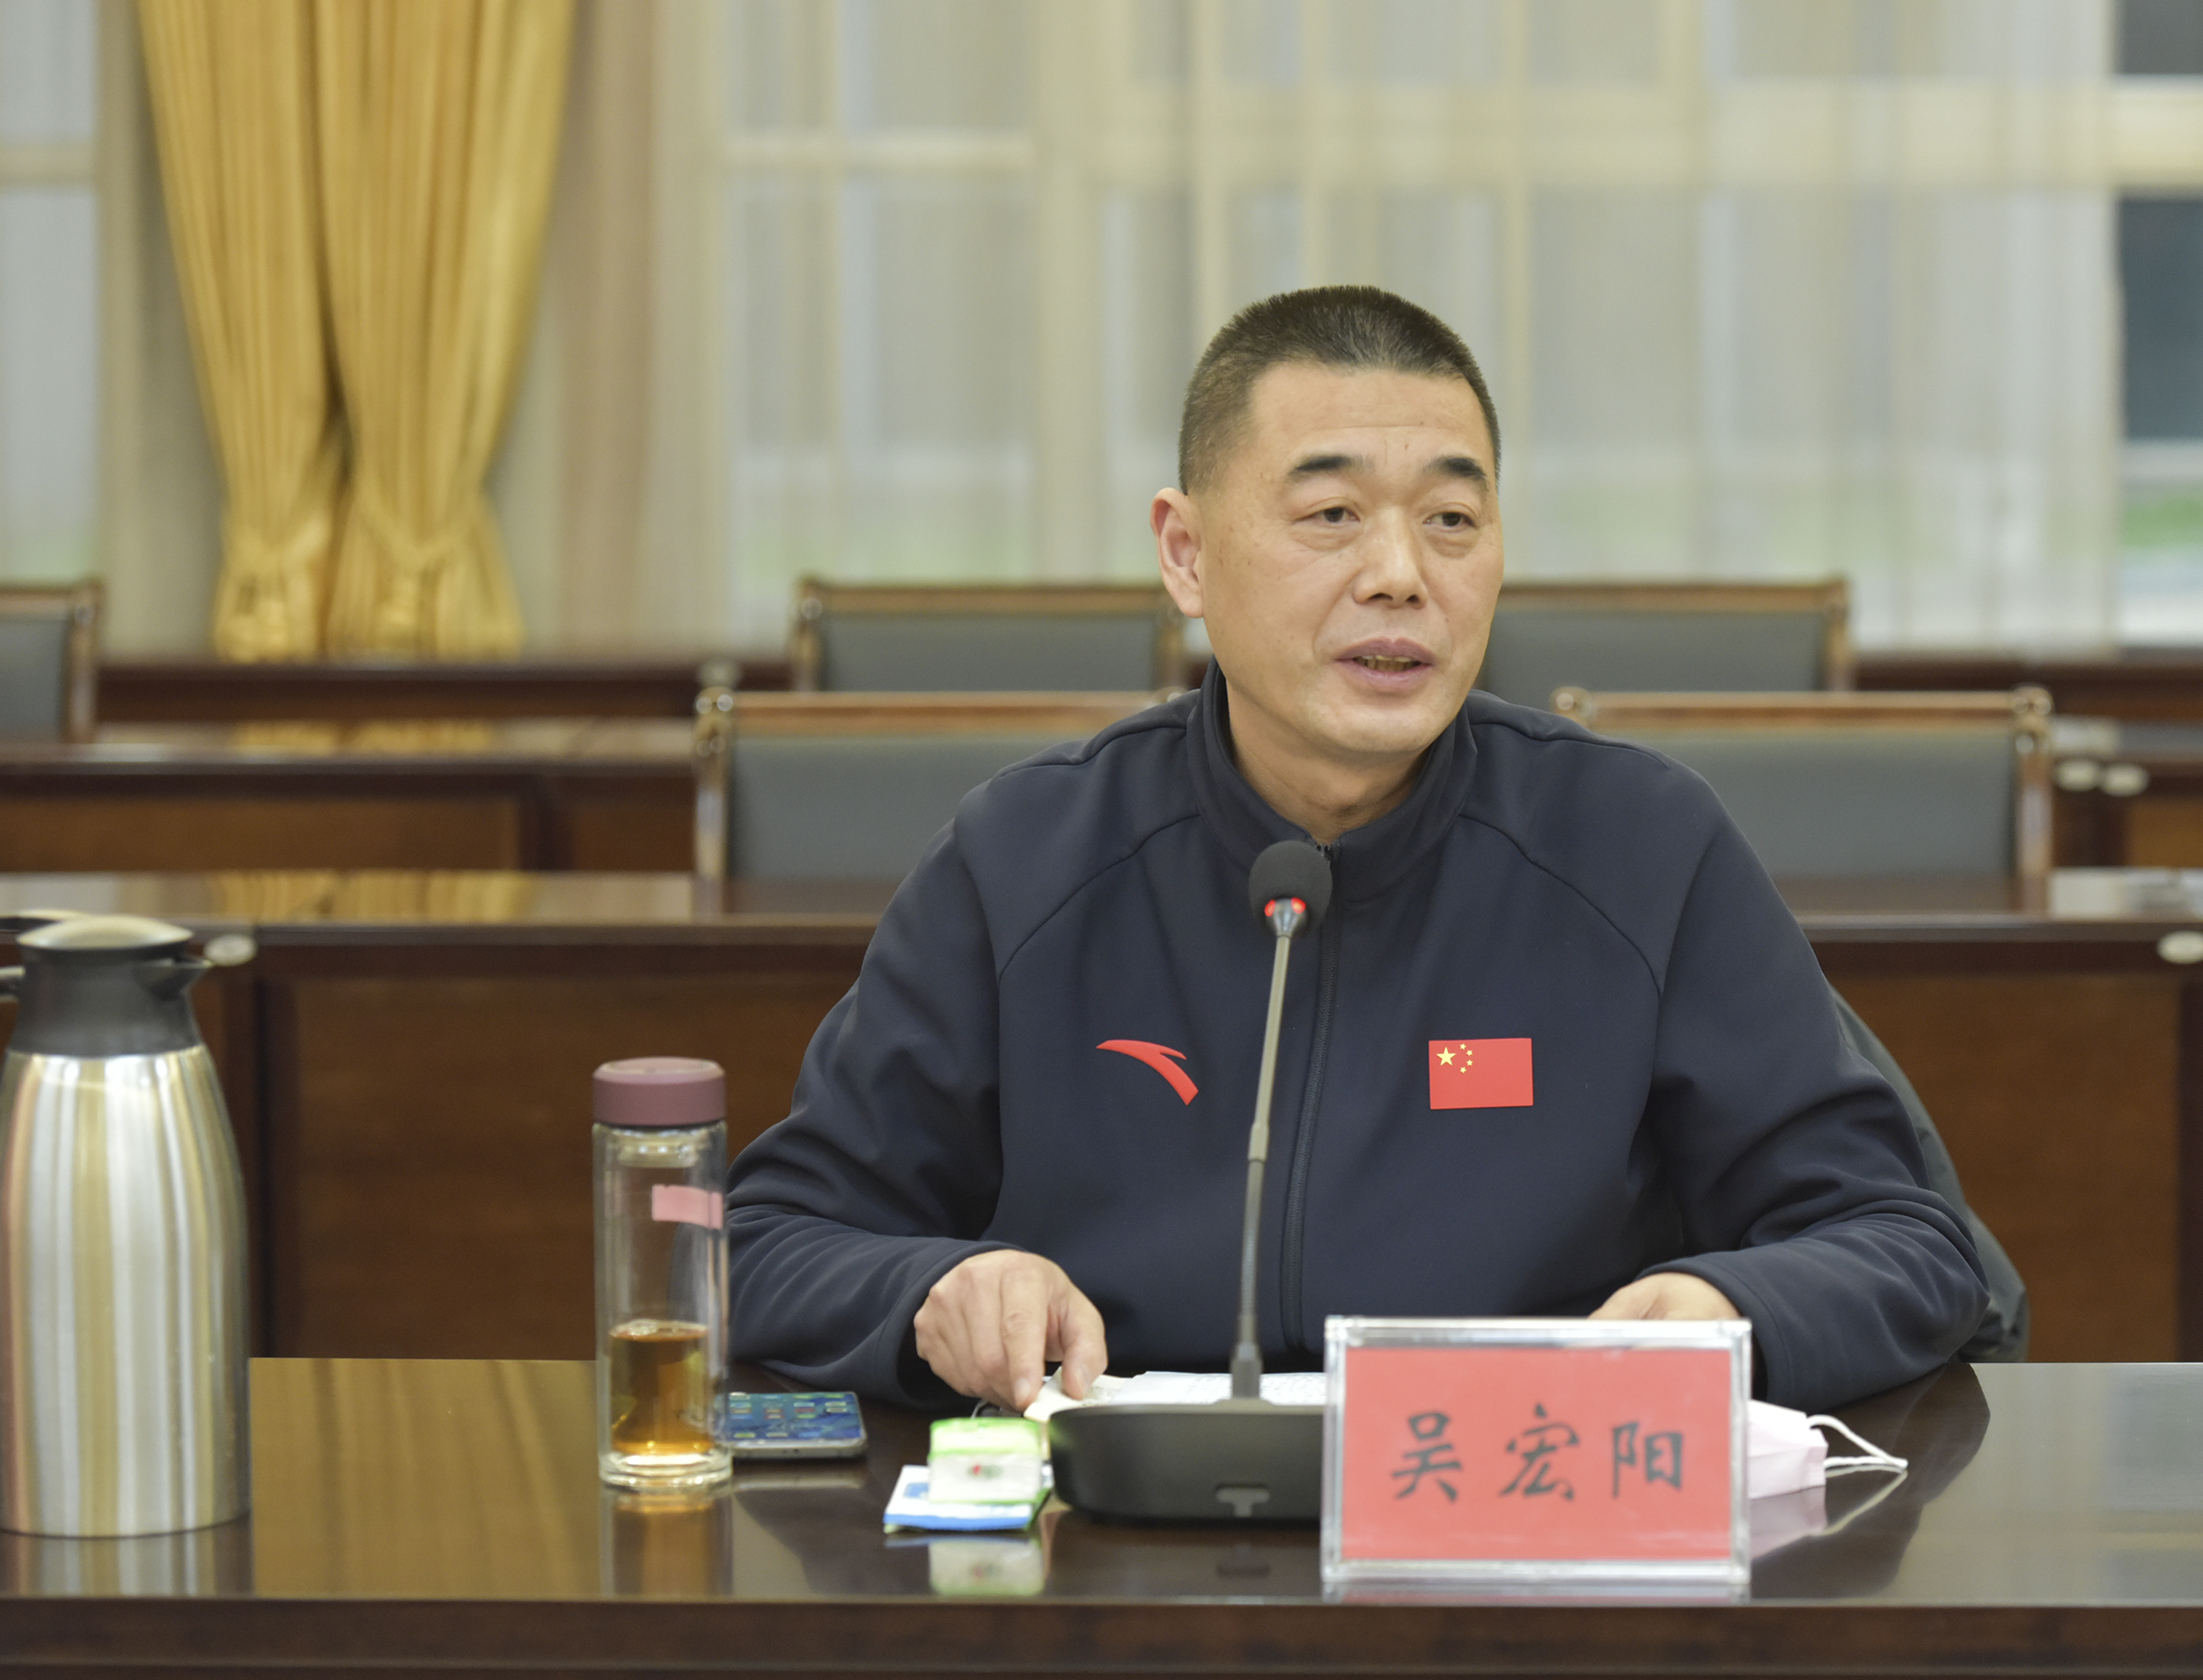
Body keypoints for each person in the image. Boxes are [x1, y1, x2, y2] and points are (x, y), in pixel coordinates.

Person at [727, 285, 1988, 1414]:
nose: (1400, 575)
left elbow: (1911, 1246)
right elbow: (768, 1241)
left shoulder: (1637, 850)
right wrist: (935, 1290)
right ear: (1185, 553)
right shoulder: (1027, 860)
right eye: (1332, 514)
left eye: (1451, 519)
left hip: (1512, 1527)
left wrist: (1728, 1311)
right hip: (1114, 1545)